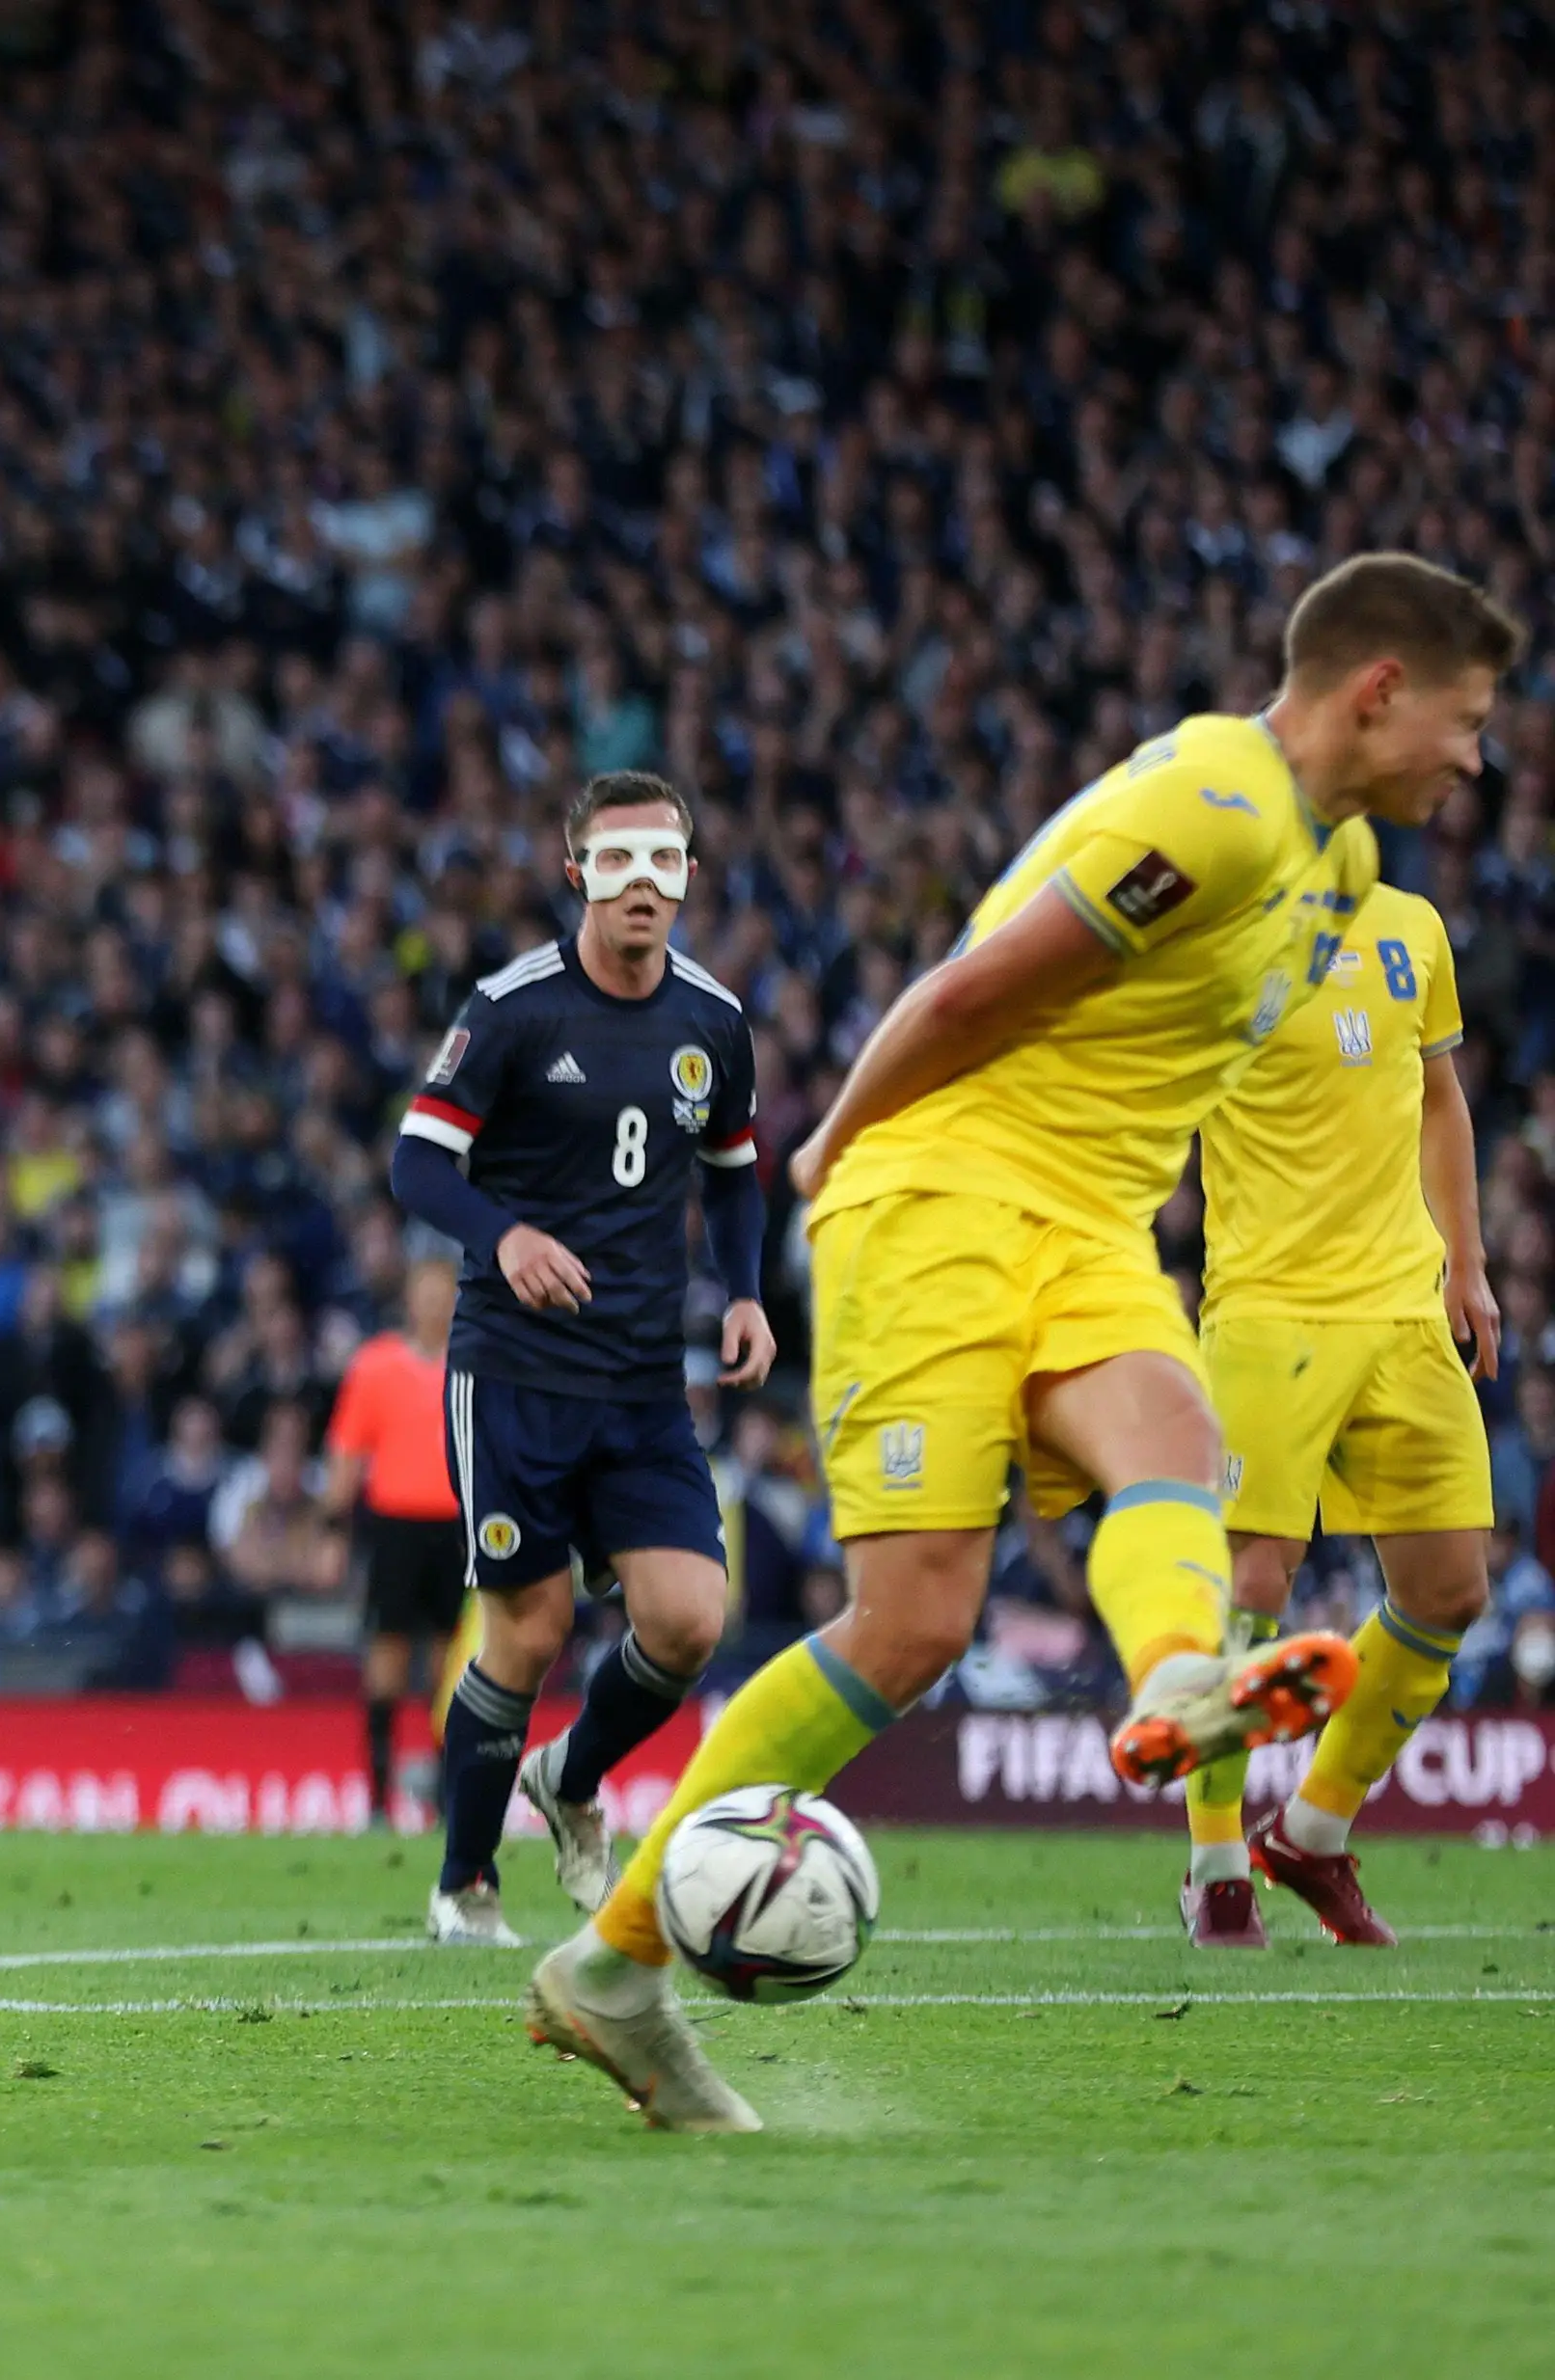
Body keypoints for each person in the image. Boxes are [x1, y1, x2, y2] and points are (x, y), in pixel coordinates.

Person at [531, 554, 1517, 2133]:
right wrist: (831, 1146)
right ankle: (618, 1961)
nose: (1479, 757)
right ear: (1376, 690)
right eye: (1465, 721)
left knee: (1173, 1447)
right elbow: (975, 983)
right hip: (935, 1197)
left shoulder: (1339, 861)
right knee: (913, 1626)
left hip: (1089, 1219)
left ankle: (1185, 1680)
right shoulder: (1216, 803)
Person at [389, 772, 772, 1948]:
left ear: (690, 876)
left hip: (643, 1376)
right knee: (531, 1626)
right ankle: (465, 1883)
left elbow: (736, 1166)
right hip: (512, 1369)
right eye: (618, 863)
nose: (643, 884)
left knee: (689, 1619)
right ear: (578, 876)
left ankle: (570, 1776)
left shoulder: (713, 1020)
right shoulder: (512, 1010)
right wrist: (503, 1233)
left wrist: (748, 1293)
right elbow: (417, 1162)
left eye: (665, 861)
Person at [1178, 876, 1496, 1945]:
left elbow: (1439, 1093)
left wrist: (1469, 1261)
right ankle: (1217, 1864)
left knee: (1450, 1587)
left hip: (1405, 1308)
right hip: (1269, 1312)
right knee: (1253, 1581)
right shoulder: (1219, 924)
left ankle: (1311, 1831)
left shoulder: (1416, 923)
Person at [319, 1255, 464, 1829]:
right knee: (386, 1661)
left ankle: (447, 1799)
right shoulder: (375, 1367)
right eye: (425, 1290)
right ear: (409, 1299)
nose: (435, 1303)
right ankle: (379, 1801)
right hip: (395, 1529)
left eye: (445, 1292)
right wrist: (334, 1530)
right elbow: (347, 1452)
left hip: (457, 1532)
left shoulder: (477, 1367)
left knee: (450, 1669)